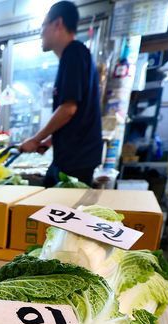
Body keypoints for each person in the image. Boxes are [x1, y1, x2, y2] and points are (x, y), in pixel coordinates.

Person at [20, 1, 102, 187]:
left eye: (44, 25)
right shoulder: (76, 55)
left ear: (58, 23)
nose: (41, 32)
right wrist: (50, 141)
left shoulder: (73, 53)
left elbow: (69, 109)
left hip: (77, 159)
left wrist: (35, 139)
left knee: (61, 212)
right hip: (71, 157)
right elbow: (76, 114)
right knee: (47, 196)